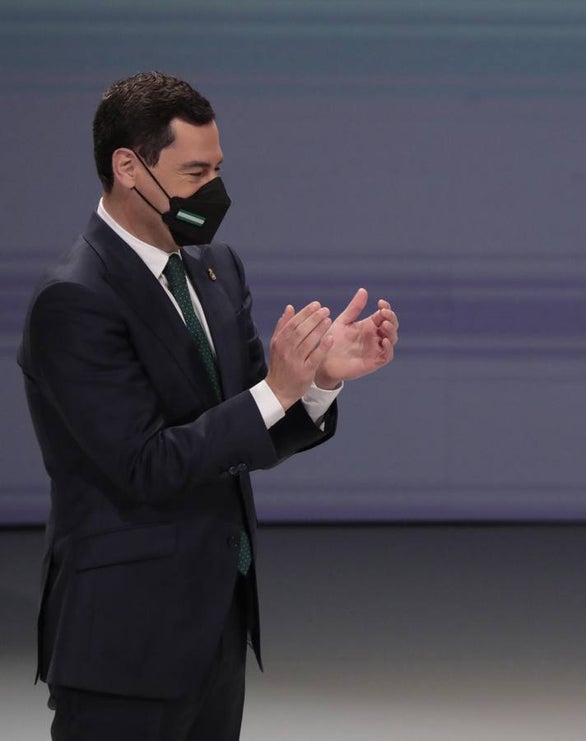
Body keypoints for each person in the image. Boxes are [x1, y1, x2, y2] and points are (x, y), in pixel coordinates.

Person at [18, 71, 399, 740]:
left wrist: (317, 381)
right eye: (195, 173)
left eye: (217, 169)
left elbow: (247, 431)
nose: (213, 191)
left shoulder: (216, 267)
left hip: (215, 629)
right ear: (128, 168)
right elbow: (145, 464)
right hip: (122, 646)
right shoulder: (73, 299)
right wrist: (276, 388)